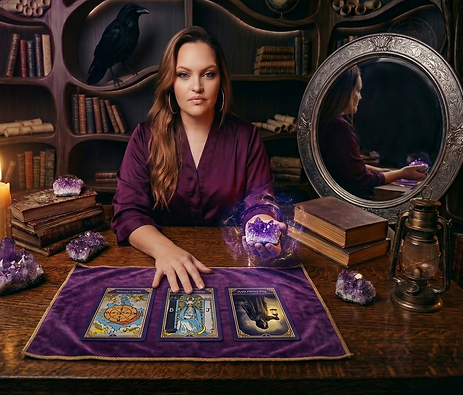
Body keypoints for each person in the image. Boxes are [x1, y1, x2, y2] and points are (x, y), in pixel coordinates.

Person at [111, 26, 285, 294]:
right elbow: (127, 212)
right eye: (184, 75)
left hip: (232, 267)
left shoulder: (246, 136)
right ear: (171, 82)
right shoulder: (144, 136)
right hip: (161, 268)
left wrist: (260, 225)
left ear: (221, 80)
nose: (197, 87)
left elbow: (259, 201)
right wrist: (165, 251)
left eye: (208, 74)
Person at [319, 65, 427, 197]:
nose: (360, 97)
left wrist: (384, 171)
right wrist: (402, 173)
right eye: (358, 90)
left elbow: (350, 166)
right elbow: (363, 181)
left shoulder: (328, 122)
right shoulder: (340, 128)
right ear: (345, 92)